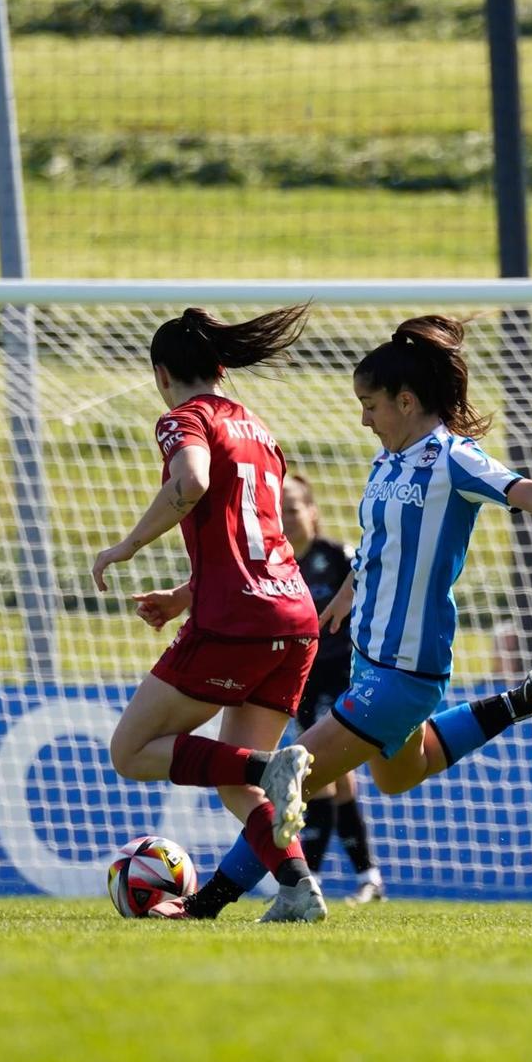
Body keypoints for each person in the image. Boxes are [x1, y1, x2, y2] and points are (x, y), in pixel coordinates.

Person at [173, 315, 532, 922]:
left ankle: (209, 905)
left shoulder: (453, 459)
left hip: (408, 670)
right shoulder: (387, 464)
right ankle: (520, 701)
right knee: (398, 775)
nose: (364, 418)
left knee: (288, 780)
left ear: (406, 401)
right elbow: (377, 544)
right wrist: (346, 594)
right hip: (371, 659)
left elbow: (523, 493)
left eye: (371, 404)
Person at [90, 304, 323, 913]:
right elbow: (254, 541)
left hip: (237, 621)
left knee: (131, 752)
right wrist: (181, 596)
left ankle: (268, 764)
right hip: (295, 618)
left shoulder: (183, 419)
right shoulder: (260, 431)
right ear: (222, 366)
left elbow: (191, 484)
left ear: (161, 374)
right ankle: (299, 889)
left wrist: (127, 545)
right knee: (234, 783)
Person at [280, 473, 387, 905]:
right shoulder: (276, 564)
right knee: (337, 780)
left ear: (312, 512)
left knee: (320, 771)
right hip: (300, 681)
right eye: (278, 510)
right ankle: (368, 877)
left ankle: (312, 877)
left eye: (292, 508)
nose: (285, 518)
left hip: (344, 675)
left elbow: (372, 593)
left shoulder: (338, 557)